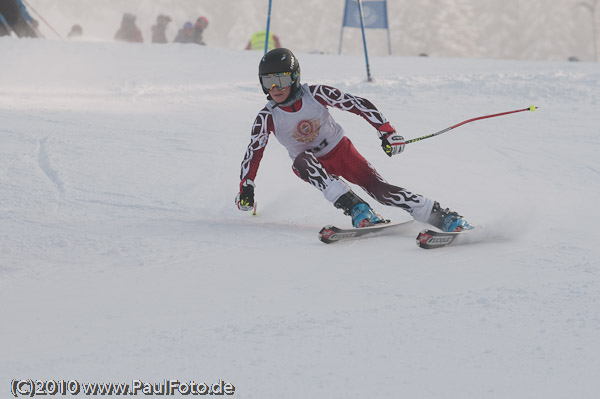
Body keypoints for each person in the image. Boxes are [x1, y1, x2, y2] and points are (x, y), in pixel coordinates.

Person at [236, 48, 473, 232]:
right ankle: (358, 210)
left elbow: (358, 104)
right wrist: (247, 186)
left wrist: (387, 131)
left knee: (381, 191)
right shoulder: (267, 116)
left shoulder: (315, 94)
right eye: (268, 82)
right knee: (302, 161)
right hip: (311, 165)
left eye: (282, 79)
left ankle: (443, 217)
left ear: (295, 77)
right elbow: (254, 152)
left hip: (342, 152)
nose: (276, 88)